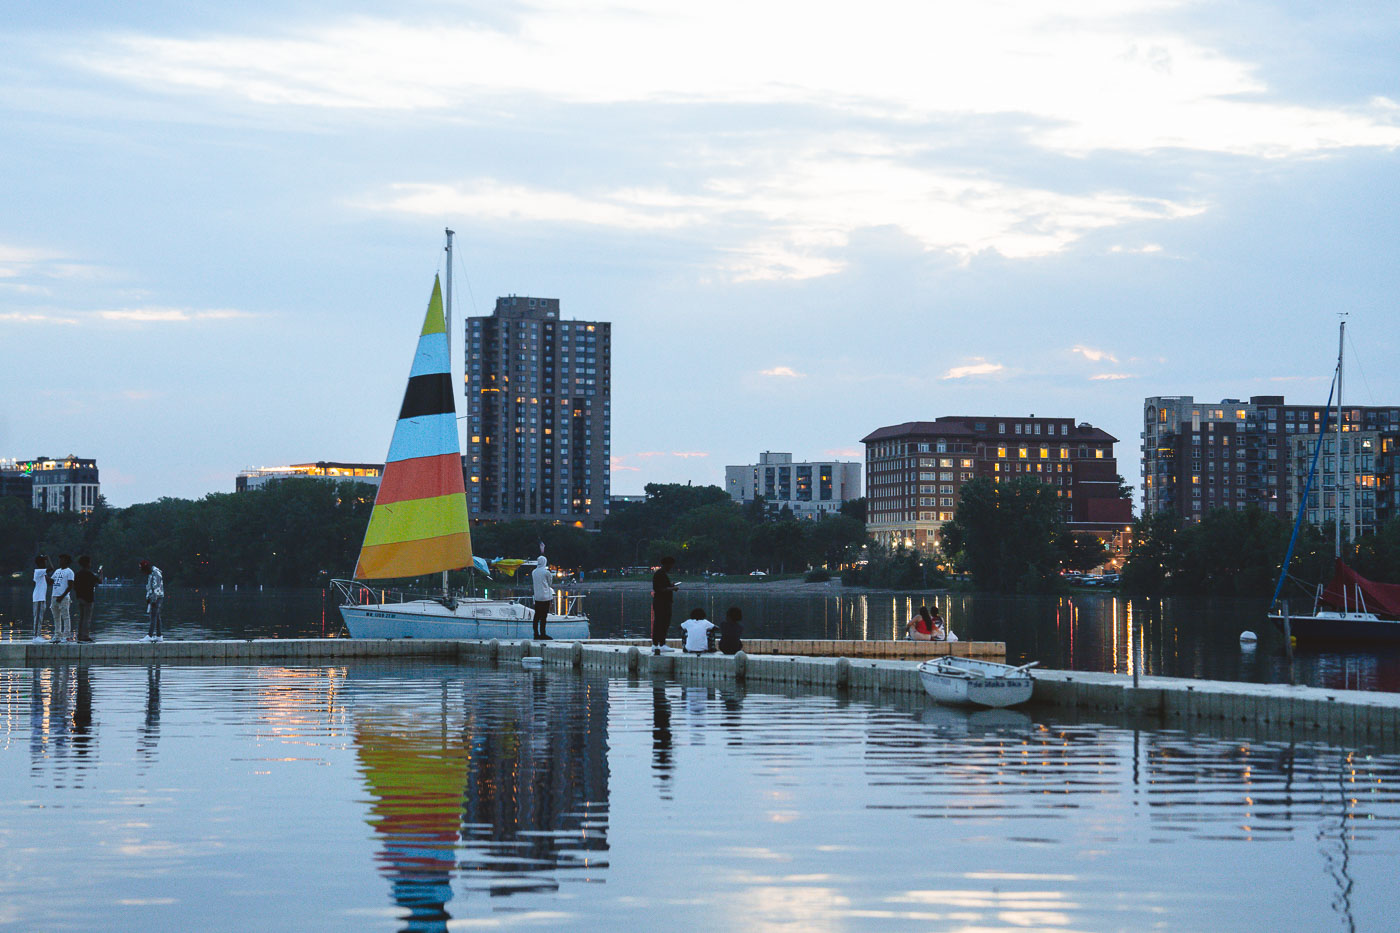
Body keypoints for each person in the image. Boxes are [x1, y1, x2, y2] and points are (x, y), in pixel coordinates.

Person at [651, 556, 679, 653]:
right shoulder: (660, 574)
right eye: (671, 565)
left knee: (664, 623)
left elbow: (663, 586)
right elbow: (659, 589)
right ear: (667, 564)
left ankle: (661, 643)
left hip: (664, 602)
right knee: (659, 623)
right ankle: (656, 644)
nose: (671, 567)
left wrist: (670, 585)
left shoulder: (662, 574)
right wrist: (672, 588)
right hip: (661, 602)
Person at [73, 556, 103, 643]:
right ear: (87, 564)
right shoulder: (90, 574)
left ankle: (79, 635)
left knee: (81, 618)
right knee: (87, 618)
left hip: (80, 598)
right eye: (89, 562)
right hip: (88, 599)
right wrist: (101, 573)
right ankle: (85, 636)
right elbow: (100, 581)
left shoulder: (77, 574)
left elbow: (74, 586)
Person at [49, 554, 76, 643]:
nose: (60, 561)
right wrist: (44, 574)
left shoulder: (69, 572)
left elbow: (70, 586)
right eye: (60, 560)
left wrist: (62, 596)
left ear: (66, 561)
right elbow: (51, 581)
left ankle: (67, 636)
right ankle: (57, 635)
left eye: (62, 560)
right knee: (56, 617)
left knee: (66, 617)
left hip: (63, 597)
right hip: (54, 596)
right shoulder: (57, 571)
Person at [530, 555, 554, 641]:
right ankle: (543, 634)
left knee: (536, 616)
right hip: (545, 597)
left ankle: (536, 634)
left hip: (537, 597)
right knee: (543, 617)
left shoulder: (534, 572)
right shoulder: (546, 572)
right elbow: (550, 583)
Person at [140, 560, 165, 643]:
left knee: (153, 615)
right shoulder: (150, 573)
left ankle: (150, 635)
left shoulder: (156, 573)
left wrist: (153, 599)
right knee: (157, 616)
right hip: (153, 597)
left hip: (157, 597)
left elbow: (157, 587)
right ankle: (159, 636)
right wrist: (148, 598)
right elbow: (149, 587)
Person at [31, 554, 51, 643]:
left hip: (41, 598)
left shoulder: (42, 573)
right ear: (40, 563)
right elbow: (51, 568)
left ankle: (38, 635)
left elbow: (50, 581)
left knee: (40, 617)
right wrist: (49, 559)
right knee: (37, 617)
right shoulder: (38, 571)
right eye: (44, 561)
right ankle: (35, 637)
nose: (45, 563)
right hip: (38, 598)